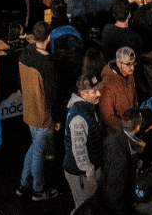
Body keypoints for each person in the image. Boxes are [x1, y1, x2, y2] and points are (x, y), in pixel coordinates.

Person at [17, 21, 60, 202]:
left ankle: (23, 184)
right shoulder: (47, 66)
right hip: (43, 115)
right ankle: (37, 190)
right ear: (49, 38)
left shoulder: (25, 55)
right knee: (39, 152)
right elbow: (52, 96)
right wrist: (57, 118)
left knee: (34, 147)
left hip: (29, 109)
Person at [62, 74, 104, 211]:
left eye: (98, 89)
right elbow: (79, 152)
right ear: (83, 94)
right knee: (84, 208)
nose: (99, 94)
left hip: (87, 169)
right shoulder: (78, 118)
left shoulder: (87, 108)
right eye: (94, 91)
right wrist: (90, 174)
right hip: (81, 174)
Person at [99, 108, 145, 215]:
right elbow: (114, 193)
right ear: (138, 127)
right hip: (117, 203)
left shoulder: (111, 138)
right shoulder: (122, 159)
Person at [99, 48, 137, 134]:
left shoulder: (129, 74)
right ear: (119, 63)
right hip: (116, 134)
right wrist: (127, 129)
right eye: (128, 64)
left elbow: (134, 96)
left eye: (134, 64)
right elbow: (108, 118)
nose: (132, 68)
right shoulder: (107, 83)